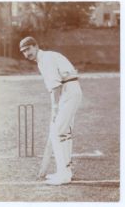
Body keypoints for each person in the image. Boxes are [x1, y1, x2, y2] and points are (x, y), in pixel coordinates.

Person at [19, 36, 82, 185]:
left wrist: (54, 108)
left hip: (69, 91)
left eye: (28, 49)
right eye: (23, 51)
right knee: (63, 133)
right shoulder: (46, 58)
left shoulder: (45, 59)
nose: (26, 53)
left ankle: (64, 175)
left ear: (35, 46)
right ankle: (65, 172)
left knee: (57, 132)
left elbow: (55, 86)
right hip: (71, 90)